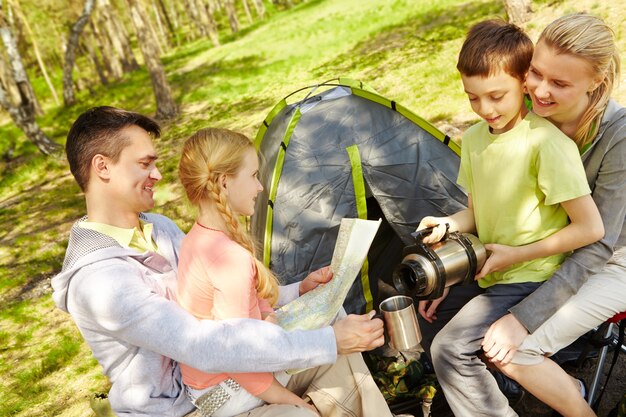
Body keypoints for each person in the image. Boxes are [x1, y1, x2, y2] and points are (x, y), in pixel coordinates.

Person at [51, 106, 388, 417]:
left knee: (339, 360)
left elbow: (215, 300)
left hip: (226, 374)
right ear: (102, 167)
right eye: (144, 164)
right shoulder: (99, 282)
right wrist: (327, 342)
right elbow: (203, 344)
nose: (157, 174)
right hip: (189, 406)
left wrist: (296, 292)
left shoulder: (160, 228)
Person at [414, 19, 605, 417]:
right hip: (492, 270)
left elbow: (590, 228)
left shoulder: (546, 144)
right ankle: (502, 389)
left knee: (450, 348)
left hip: (532, 275)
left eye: (497, 96)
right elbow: (476, 212)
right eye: (473, 98)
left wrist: (517, 255)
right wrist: (450, 224)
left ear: (524, 83)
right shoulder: (474, 140)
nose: (485, 110)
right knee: (428, 320)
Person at [175, 127, 393, 417]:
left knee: (337, 340)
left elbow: (242, 313)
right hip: (228, 393)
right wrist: (295, 402)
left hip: (221, 383)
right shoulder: (227, 257)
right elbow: (243, 358)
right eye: (253, 176)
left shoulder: (198, 239)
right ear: (224, 183)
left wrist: (300, 290)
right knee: (334, 346)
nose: (260, 187)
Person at [478, 13, 626, 417]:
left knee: (515, 351)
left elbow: (599, 245)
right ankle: (569, 387)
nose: (540, 91)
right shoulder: (522, 110)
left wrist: (522, 319)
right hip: (557, 244)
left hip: (615, 257)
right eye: (535, 73)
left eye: (560, 84)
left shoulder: (618, 137)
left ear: (596, 82)